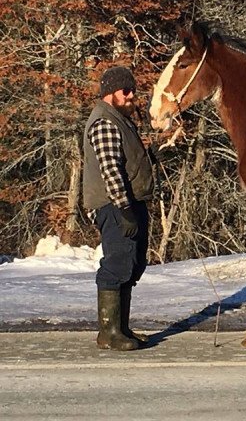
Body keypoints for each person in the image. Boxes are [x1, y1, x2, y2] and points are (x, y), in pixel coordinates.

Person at [83, 66, 154, 351]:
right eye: (126, 90)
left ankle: (121, 328)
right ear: (111, 93)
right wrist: (124, 210)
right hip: (113, 205)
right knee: (117, 264)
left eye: (133, 89)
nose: (132, 95)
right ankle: (109, 333)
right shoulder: (104, 122)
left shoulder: (120, 121)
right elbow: (110, 170)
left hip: (128, 203)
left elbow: (129, 164)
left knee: (132, 263)